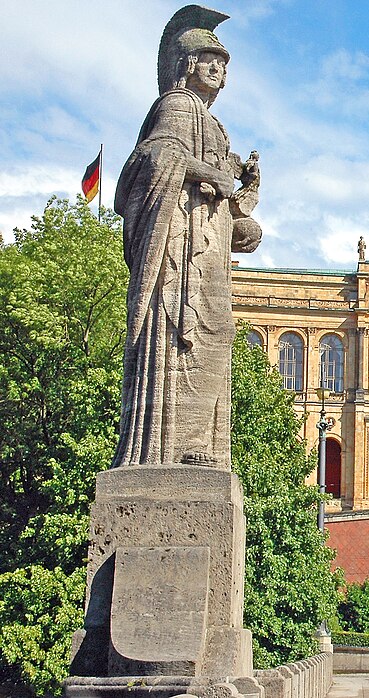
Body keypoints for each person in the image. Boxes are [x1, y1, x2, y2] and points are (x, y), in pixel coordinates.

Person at [113, 6, 260, 469]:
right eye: (211, 60)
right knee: (184, 334)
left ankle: (200, 443)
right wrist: (214, 175)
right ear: (187, 64)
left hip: (209, 247)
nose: (220, 71)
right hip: (178, 250)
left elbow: (218, 202)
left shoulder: (215, 124)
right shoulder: (175, 106)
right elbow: (155, 160)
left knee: (214, 334)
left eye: (225, 64)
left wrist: (242, 209)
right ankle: (169, 444)